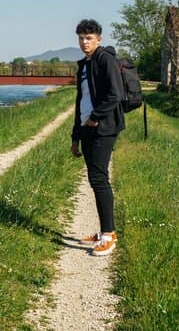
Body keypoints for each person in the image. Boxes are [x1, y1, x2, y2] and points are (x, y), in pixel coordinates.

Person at [71, 18, 125, 256]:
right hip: (87, 129)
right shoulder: (84, 64)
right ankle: (104, 229)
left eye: (89, 38)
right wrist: (75, 135)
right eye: (81, 38)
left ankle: (108, 236)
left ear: (99, 39)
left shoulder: (105, 59)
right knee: (95, 180)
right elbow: (79, 101)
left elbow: (116, 94)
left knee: (99, 179)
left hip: (103, 128)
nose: (85, 42)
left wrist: (95, 117)